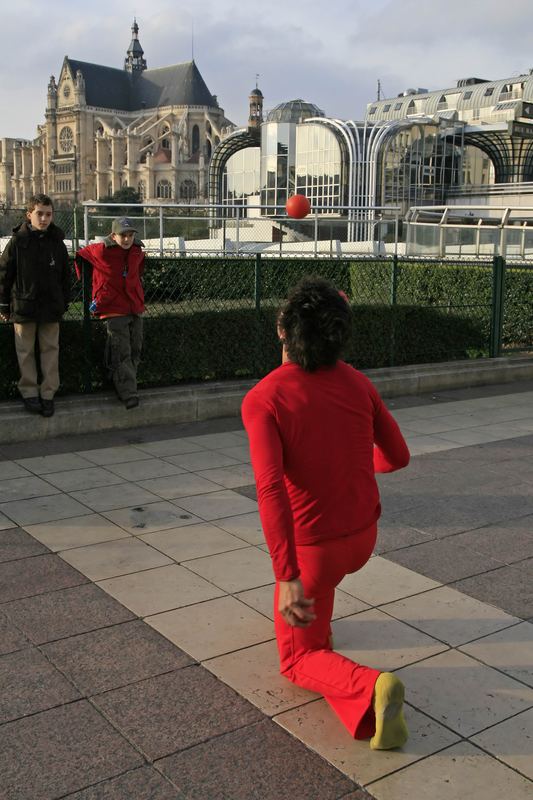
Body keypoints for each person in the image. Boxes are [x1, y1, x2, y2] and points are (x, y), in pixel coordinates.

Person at [241, 276, 411, 750]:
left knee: (297, 661)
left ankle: (371, 685)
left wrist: (287, 575)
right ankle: (364, 707)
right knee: (320, 615)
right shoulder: (359, 382)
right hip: (364, 536)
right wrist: (357, 468)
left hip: (314, 553)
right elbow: (397, 457)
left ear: (282, 329)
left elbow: (270, 489)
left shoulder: (264, 399)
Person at [0, 194, 71, 418]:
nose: (44, 218)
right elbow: (4, 275)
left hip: (51, 307)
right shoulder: (17, 242)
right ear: (29, 214)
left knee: (51, 351)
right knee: (25, 351)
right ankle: (29, 392)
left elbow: (66, 277)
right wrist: (3, 305)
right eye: (39, 213)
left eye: (48, 214)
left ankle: (48, 394)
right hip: (23, 305)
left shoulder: (57, 243)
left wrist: (64, 303)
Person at [75, 217, 145, 409]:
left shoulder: (137, 251)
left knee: (135, 348)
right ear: (113, 236)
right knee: (121, 350)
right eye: (123, 235)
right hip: (113, 308)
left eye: (130, 235)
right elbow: (81, 255)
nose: (127, 239)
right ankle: (128, 392)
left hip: (134, 305)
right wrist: (91, 285)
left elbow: (138, 271)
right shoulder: (101, 250)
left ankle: (122, 381)